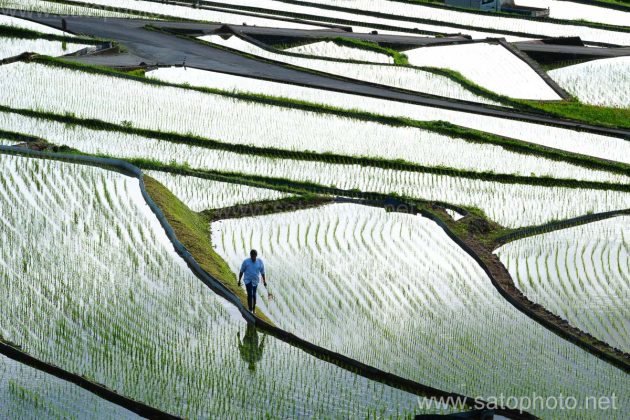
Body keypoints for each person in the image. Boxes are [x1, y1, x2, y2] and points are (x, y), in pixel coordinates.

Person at [238, 249, 267, 313]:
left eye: (254, 256)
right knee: (250, 294)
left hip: (255, 281)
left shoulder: (260, 262)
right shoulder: (246, 262)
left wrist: (264, 281)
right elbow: (241, 271)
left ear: (256, 256)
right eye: (252, 256)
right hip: (248, 280)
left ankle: (254, 309)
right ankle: (250, 309)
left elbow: (262, 272)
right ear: (250, 256)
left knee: (254, 295)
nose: (253, 258)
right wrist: (239, 280)